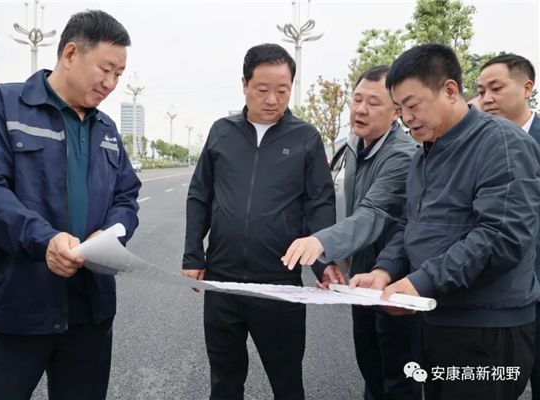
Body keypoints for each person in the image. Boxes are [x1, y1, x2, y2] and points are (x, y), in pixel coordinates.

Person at [0, 10, 141, 400]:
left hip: (88, 313)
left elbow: (126, 196)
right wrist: (44, 240)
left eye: (119, 75)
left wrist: (112, 233)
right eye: (105, 69)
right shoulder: (1, 107)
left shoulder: (106, 130)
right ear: (71, 54)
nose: (111, 83)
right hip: (12, 309)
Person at [350, 43, 540, 400]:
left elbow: (501, 236)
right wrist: (385, 271)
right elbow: (411, 223)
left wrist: (422, 281)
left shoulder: (501, 143)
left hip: (486, 328)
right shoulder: (426, 152)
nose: (406, 118)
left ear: (450, 90)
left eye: (413, 105)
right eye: (400, 109)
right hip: (437, 317)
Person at [182, 43, 335, 400]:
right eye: (262, 89)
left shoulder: (305, 138)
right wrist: (193, 255)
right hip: (223, 281)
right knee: (224, 381)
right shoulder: (222, 132)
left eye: (282, 90)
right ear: (244, 84)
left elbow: (320, 205)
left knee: (286, 381)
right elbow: (199, 196)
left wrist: (324, 262)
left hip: (279, 283)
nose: (272, 99)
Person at [282, 65, 421, 400]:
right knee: (371, 368)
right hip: (361, 280)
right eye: (357, 99)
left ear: (396, 112)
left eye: (374, 103)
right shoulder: (353, 146)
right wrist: (331, 262)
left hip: (395, 283)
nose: (361, 109)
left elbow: (373, 213)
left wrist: (321, 243)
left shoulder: (402, 155)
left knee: (398, 378)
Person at [478, 53, 540, 399]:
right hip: (497, 301)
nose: (487, 99)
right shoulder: (476, 147)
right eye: (481, 91)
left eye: (496, 88)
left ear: (527, 88)